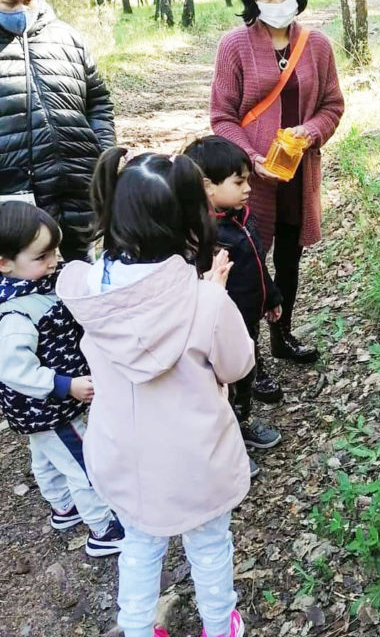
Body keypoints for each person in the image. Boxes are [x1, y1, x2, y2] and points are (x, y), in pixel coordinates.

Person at [57, 147, 254, 637]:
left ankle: (138, 628)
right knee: (209, 546)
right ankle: (218, 625)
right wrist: (216, 294)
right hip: (197, 459)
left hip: (123, 456)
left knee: (140, 545)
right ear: (191, 220)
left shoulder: (86, 289)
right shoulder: (204, 300)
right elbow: (238, 363)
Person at [210, 0, 344, 364]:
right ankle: (247, 360)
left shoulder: (316, 45)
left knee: (289, 259)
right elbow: (222, 117)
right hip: (249, 184)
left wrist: (311, 131)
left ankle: (282, 338)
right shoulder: (234, 46)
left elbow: (332, 106)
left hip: (297, 177)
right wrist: (250, 158)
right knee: (248, 269)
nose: (276, 2)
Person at [0, 201, 123, 556]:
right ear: (5, 263)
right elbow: (12, 369)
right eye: (42, 256)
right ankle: (104, 529)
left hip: (37, 409)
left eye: (55, 250)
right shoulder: (16, 314)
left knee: (45, 455)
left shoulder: (39, 282)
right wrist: (64, 386)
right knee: (82, 461)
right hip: (49, 404)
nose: (54, 261)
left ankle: (63, 507)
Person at [0, 0, 115, 261]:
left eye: (28, 0)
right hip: (19, 198)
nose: (22, 10)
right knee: (28, 287)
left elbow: (99, 102)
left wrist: (102, 152)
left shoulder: (67, 38)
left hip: (80, 189)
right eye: (10, 4)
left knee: (82, 275)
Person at [183, 135, 283, 465]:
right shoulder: (200, 236)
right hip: (218, 326)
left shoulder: (241, 217)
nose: (248, 188)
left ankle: (241, 423)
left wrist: (270, 297)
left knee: (246, 373)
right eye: (239, 181)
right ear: (207, 187)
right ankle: (227, 445)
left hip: (247, 319)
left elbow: (257, 260)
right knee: (220, 382)